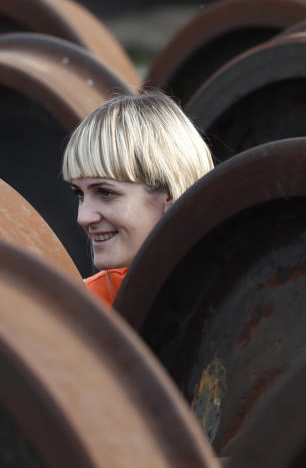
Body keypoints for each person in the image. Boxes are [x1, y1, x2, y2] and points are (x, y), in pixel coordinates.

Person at [62, 91, 213, 307]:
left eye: (106, 193)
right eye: (80, 194)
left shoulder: (243, 292)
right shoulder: (82, 308)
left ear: (170, 195)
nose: (83, 217)